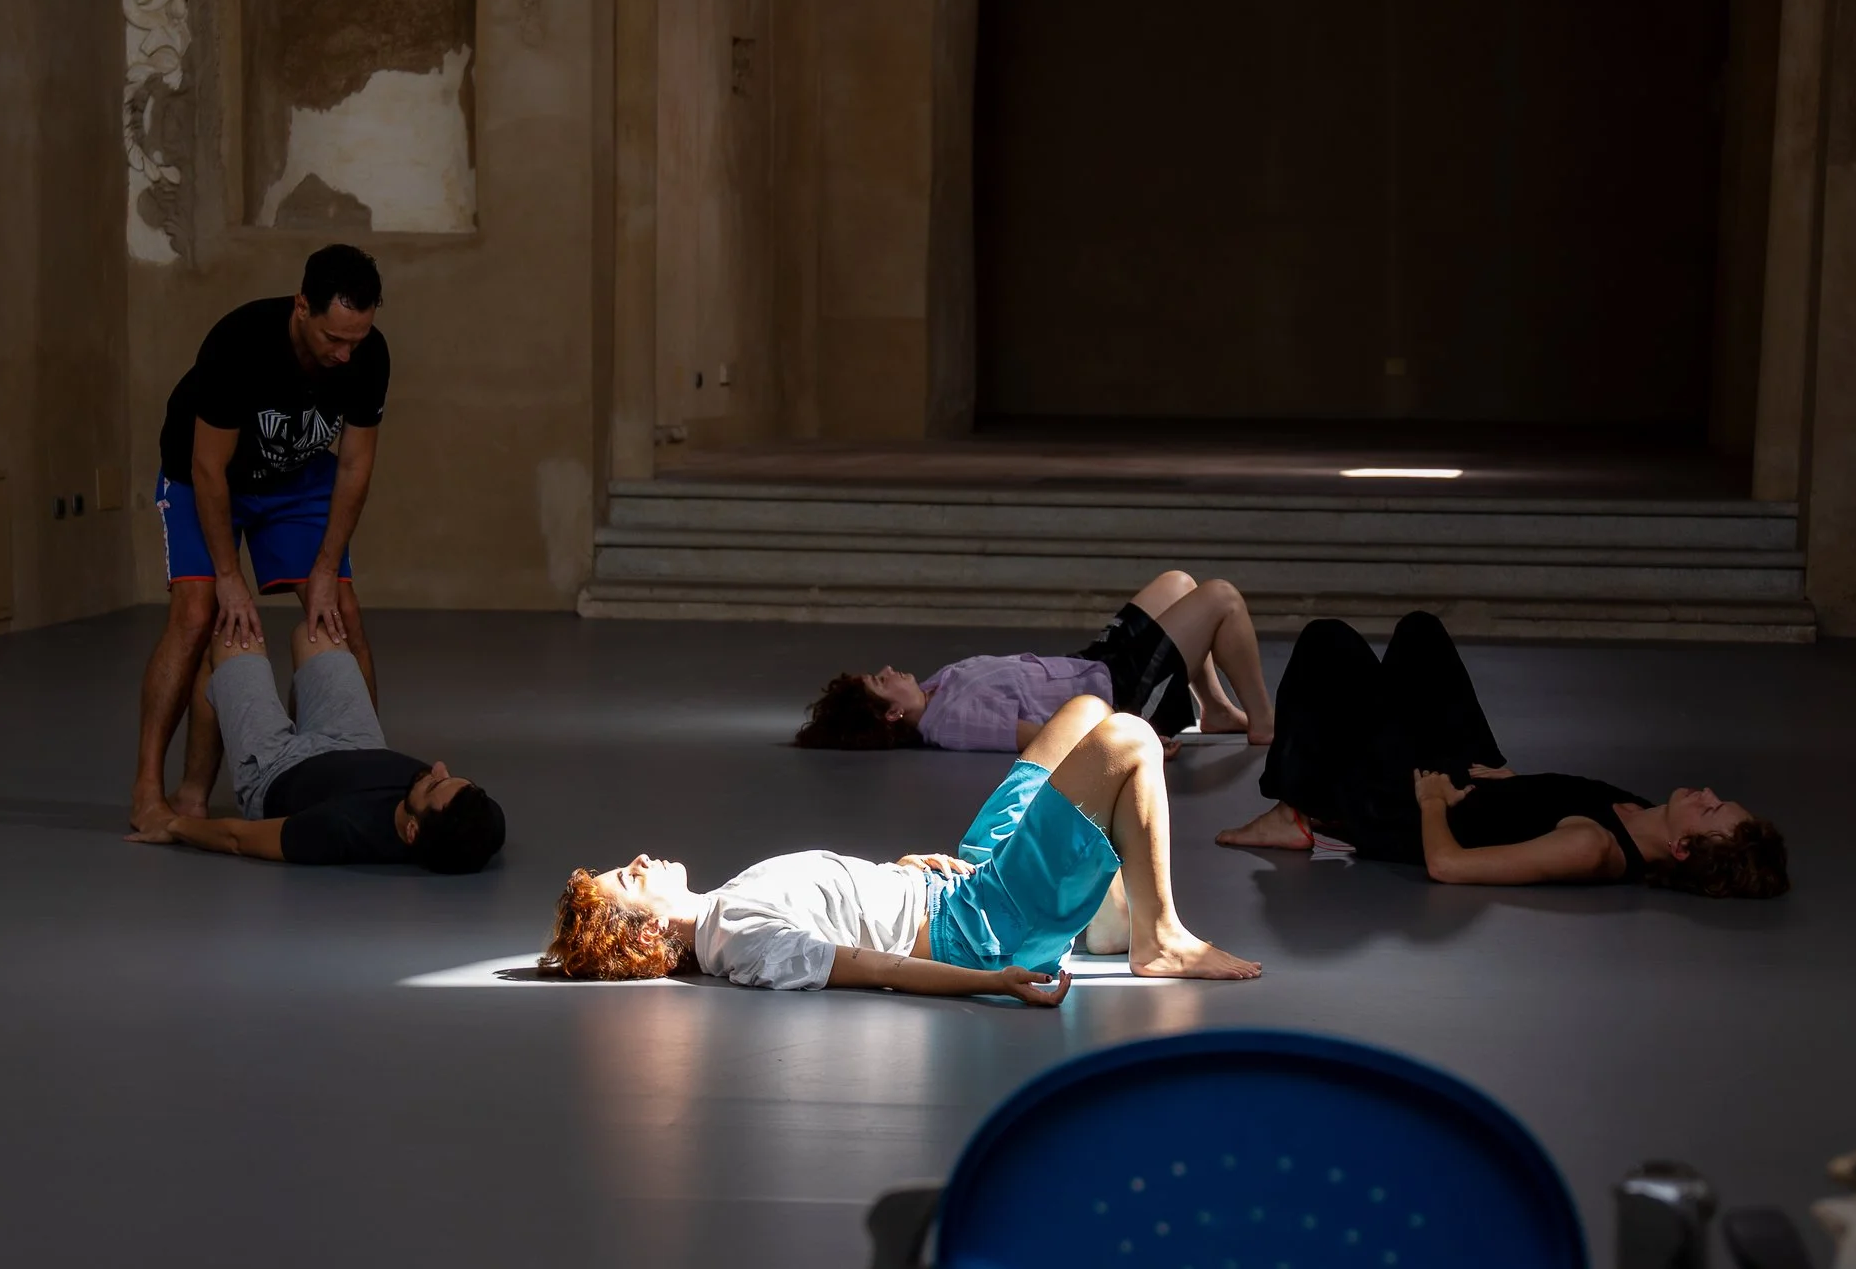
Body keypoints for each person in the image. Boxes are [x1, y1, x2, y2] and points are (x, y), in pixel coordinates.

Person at [541, 696, 1260, 1000]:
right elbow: (874, 966)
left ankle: (1098, 917)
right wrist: (993, 982)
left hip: (958, 883)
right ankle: (1158, 937)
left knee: (1085, 713)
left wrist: (901, 872)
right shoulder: (742, 939)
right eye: (629, 879)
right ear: (647, 933)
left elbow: (848, 906)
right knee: (1128, 738)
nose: (639, 861)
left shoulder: (727, 903)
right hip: (981, 926)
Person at [1214, 613, 1789, 898]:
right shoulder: (1643, 810)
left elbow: (1448, 866)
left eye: (1711, 810)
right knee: (1420, 634)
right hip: (1468, 784)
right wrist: (1512, 783)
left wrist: (1432, 801)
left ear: (1682, 847)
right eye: (1719, 800)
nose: (1708, 794)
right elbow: (1545, 806)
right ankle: (1323, 791)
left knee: (1329, 643)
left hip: (1412, 810)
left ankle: (1294, 808)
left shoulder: (1594, 849)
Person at [129, 244, 392, 829]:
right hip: (206, 477)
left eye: (357, 339)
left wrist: (325, 570)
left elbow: (354, 467)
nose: (345, 354)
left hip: (295, 478)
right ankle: (153, 789)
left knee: (341, 612)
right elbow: (207, 469)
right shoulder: (239, 343)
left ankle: (361, 777)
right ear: (301, 306)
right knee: (198, 616)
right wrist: (228, 577)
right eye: (334, 339)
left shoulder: (368, 355)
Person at [125, 615, 506, 873]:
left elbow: (236, 839)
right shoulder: (479, 821)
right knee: (317, 631)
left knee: (230, 639)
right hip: (357, 741)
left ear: (411, 832)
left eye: (435, 785)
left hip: (276, 767)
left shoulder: (339, 829)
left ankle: (191, 794)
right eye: (450, 777)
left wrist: (175, 826)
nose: (437, 768)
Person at [795, 570, 1274, 752]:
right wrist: (1131, 741)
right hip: (1118, 693)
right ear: (893, 714)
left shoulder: (935, 689)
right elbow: (1047, 739)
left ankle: (1215, 710)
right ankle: (1264, 723)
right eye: (881, 682)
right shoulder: (953, 721)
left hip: (1093, 665)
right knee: (1221, 598)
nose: (888, 671)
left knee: (1178, 584)